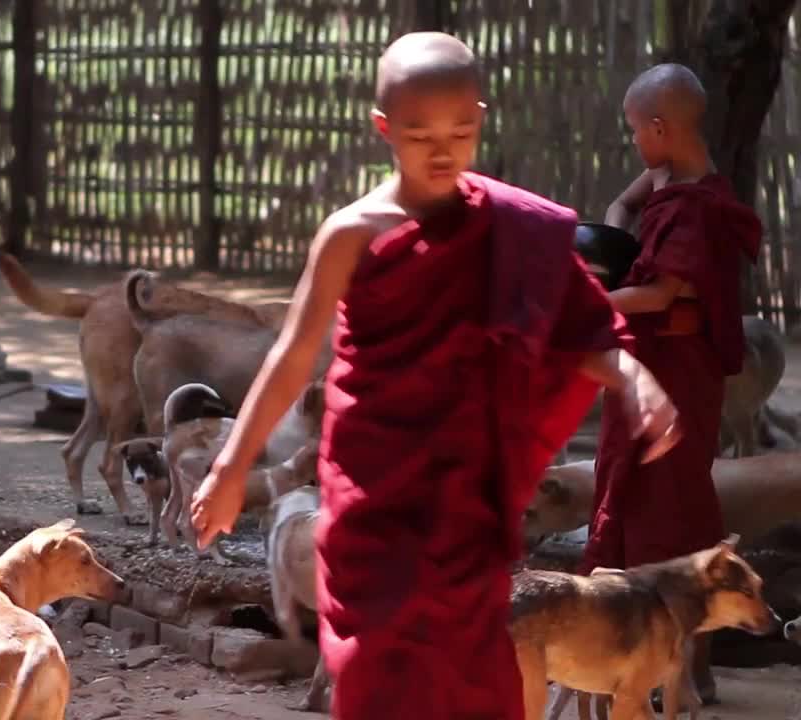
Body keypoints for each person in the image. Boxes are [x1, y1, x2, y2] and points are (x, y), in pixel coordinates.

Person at [188, 32, 681, 720]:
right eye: (419, 134)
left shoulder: (511, 227)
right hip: (374, 491)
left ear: (480, 117)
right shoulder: (352, 233)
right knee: (375, 662)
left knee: (471, 668)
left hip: (462, 496)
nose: (443, 149)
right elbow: (292, 355)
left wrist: (631, 375)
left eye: (462, 130)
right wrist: (232, 467)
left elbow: (576, 329)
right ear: (383, 128)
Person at [579, 62, 763, 706]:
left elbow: (658, 295)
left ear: (659, 127)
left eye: (636, 131)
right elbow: (625, 207)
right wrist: (610, 248)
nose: (633, 143)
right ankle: (633, 662)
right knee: (629, 509)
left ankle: (693, 670)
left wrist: (591, 301)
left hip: (681, 377)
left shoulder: (702, 209)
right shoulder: (663, 177)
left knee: (675, 522)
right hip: (645, 365)